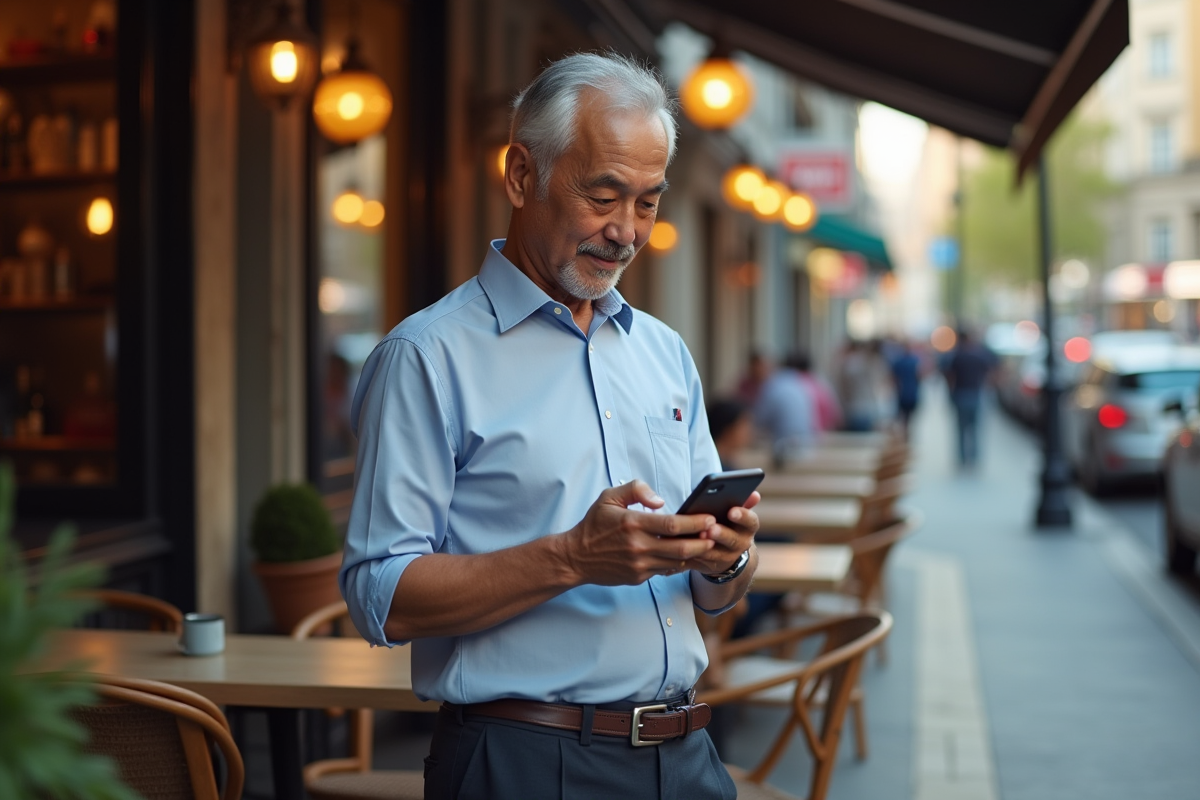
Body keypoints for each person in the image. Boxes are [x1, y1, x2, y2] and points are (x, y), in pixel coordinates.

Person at [341, 53, 758, 800]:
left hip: (688, 757)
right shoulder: (426, 357)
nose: (626, 232)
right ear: (521, 175)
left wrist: (724, 561)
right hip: (526, 761)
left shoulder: (665, 353)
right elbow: (381, 597)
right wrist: (569, 558)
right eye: (604, 196)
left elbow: (716, 602)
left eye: (648, 203)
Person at [941, 328, 998, 468]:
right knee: (976, 429)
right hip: (975, 395)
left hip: (960, 395)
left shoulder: (957, 356)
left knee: (961, 429)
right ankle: (973, 458)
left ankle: (962, 458)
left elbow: (950, 377)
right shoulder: (978, 356)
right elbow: (991, 373)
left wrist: (950, 393)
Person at [753, 352, 817, 464]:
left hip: (785, 449)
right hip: (808, 444)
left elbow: (758, 422)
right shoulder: (796, 381)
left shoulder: (771, 386)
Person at [889, 339, 922, 440]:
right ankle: (907, 434)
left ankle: (905, 434)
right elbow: (920, 376)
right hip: (912, 393)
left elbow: (893, 378)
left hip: (902, 393)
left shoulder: (898, 362)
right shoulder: (914, 361)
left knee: (903, 417)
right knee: (910, 417)